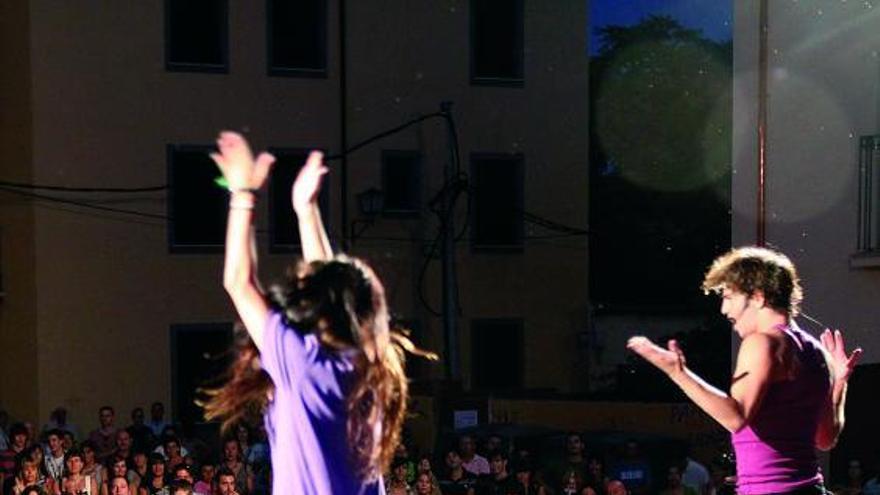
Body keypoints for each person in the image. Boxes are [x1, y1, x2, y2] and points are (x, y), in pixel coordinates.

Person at [202, 132, 421, 495]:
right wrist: (307, 210)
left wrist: (243, 194)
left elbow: (239, 282)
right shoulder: (374, 364)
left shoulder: (302, 362)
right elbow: (331, 288)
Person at [628, 246, 862, 495]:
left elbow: (736, 417)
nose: (724, 309)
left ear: (759, 296)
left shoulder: (763, 342)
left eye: (729, 297)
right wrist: (840, 382)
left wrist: (678, 373)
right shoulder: (817, 351)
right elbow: (825, 439)